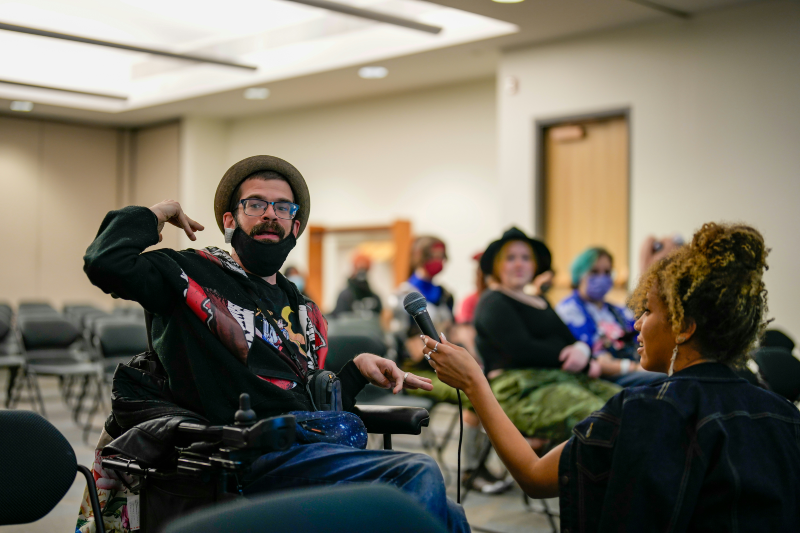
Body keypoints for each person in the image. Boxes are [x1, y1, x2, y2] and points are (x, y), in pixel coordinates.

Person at [77, 156, 468, 533]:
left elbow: (304, 405)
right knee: (416, 473)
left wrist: (354, 372)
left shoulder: (304, 311)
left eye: (283, 207)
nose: (270, 214)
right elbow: (104, 261)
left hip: (303, 449)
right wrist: (157, 213)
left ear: (295, 227)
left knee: (448, 513)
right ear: (230, 221)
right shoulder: (187, 273)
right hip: (237, 457)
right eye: (256, 204)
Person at [423, 222, 800, 531]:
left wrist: (474, 382)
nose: (635, 323)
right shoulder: (784, 414)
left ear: (684, 325)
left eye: (647, 311)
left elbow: (535, 477)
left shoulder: (636, 412)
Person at [459, 228, 620, 492]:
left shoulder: (539, 300)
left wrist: (580, 348)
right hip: (517, 387)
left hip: (563, 378)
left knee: (625, 405)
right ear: (497, 265)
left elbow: (570, 339)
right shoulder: (492, 302)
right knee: (598, 419)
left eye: (526, 257)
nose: (520, 263)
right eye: (511, 257)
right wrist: (568, 351)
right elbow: (521, 349)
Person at [556, 247, 663, 387]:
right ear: (579, 275)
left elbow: (641, 338)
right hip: (602, 377)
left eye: (607, 272)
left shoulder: (619, 311)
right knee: (663, 379)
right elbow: (595, 359)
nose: (601, 278)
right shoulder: (569, 310)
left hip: (634, 368)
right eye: (594, 272)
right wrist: (633, 367)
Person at [331, 253, 383, 318]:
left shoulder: (375, 298)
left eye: (364, 269)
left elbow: (380, 320)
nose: (361, 273)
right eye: (359, 268)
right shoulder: (345, 296)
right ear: (354, 268)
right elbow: (338, 319)